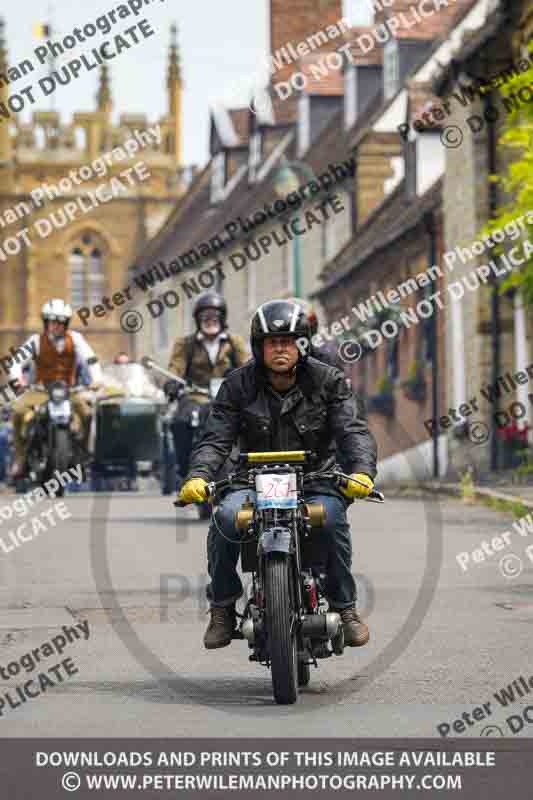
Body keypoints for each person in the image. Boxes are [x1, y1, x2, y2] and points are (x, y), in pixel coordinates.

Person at [178, 299, 378, 650]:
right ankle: (222, 607)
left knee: (330, 520)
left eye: (288, 341)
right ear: (259, 347)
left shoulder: (329, 380)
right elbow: (216, 437)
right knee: (225, 517)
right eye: (273, 342)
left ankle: (345, 608)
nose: (281, 349)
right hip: (250, 480)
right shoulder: (237, 385)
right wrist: (198, 476)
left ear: (302, 344)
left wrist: (361, 471)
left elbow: (353, 430)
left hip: (316, 478)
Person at [10, 299, 103, 477]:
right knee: (18, 413)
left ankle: (82, 456)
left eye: (60, 322)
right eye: (52, 322)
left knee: (86, 413)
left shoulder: (76, 339)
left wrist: (96, 379)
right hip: (40, 390)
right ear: (46, 322)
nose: (56, 326)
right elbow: (16, 362)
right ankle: (20, 458)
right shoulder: (35, 341)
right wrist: (17, 380)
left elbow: (90, 359)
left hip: (69, 390)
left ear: (66, 324)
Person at [166, 291, 248, 480]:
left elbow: (247, 365)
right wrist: (172, 382)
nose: (210, 319)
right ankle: (185, 466)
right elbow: (175, 367)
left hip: (229, 395)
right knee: (180, 422)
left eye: (214, 315)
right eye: (204, 315)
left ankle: (247, 464)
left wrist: (239, 377)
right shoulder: (185, 343)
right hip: (196, 395)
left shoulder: (234, 341)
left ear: (223, 317)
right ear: (197, 319)